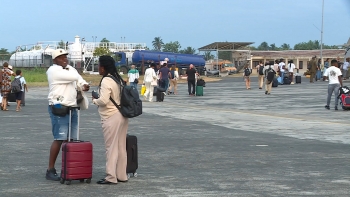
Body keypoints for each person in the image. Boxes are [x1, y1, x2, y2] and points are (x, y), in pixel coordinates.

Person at [46, 49, 90, 181]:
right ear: (55, 60)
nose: (65, 59)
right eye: (61, 57)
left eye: (65, 56)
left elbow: (80, 82)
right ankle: (50, 169)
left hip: (72, 106)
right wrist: (80, 79)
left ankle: (68, 168)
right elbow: (75, 78)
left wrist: (84, 85)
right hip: (59, 107)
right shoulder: (53, 71)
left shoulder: (70, 69)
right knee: (60, 138)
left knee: (71, 139)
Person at [92, 55, 129, 184]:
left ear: (103, 67)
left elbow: (103, 100)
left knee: (111, 147)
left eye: (99, 65)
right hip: (122, 115)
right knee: (120, 146)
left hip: (111, 116)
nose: (98, 67)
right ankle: (121, 175)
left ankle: (111, 177)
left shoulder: (106, 80)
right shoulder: (116, 79)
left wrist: (94, 100)